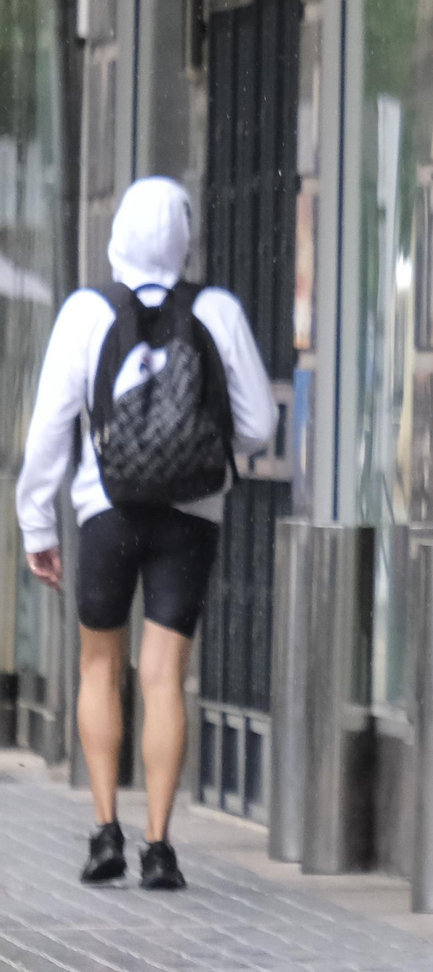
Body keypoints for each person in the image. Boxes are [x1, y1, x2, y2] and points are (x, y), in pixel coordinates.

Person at [16, 177, 278, 888]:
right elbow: (258, 425)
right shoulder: (216, 310)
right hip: (192, 514)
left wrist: (35, 520)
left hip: (106, 510)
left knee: (100, 665)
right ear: (184, 236)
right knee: (165, 676)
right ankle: (160, 845)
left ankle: (106, 832)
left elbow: (48, 432)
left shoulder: (85, 312)